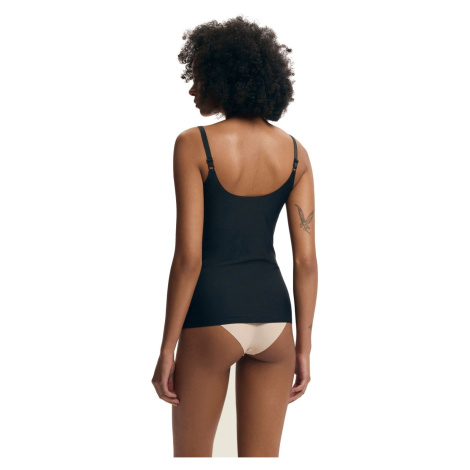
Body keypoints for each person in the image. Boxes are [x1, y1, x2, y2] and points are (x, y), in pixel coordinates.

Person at [151, 16, 318, 457]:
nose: (192, 90)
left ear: (225, 78)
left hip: (212, 316)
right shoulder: (297, 154)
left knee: (192, 460)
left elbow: (188, 258)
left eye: (199, 77)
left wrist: (167, 348)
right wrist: (303, 348)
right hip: (277, 324)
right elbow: (306, 262)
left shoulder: (194, 144)